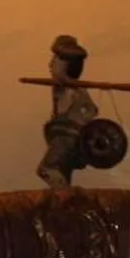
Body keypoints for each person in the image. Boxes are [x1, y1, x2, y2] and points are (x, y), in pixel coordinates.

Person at [38, 34, 99, 189]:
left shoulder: (73, 90)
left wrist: (80, 123)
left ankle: (65, 196)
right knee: (62, 171)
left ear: (67, 65)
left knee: (48, 168)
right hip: (61, 135)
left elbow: (92, 110)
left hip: (66, 138)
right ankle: (62, 201)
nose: (50, 65)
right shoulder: (60, 88)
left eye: (55, 61)